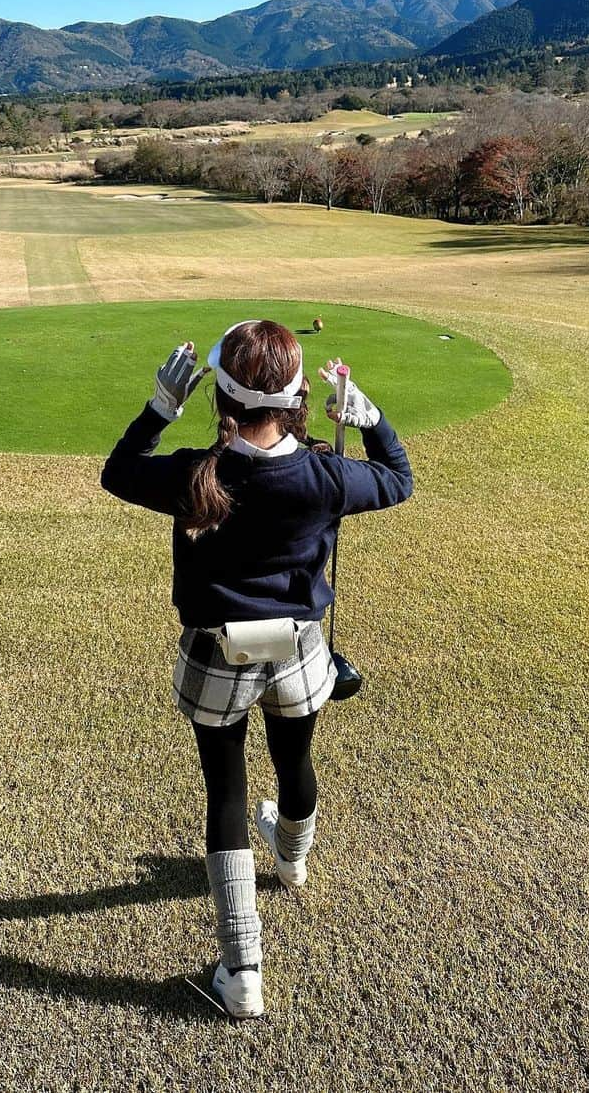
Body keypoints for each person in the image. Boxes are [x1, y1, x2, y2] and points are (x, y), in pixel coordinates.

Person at [100, 318, 413, 1019]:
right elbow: (398, 479)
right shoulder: (327, 474)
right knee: (295, 759)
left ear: (224, 401)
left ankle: (242, 971)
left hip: (217, 655)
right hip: (301, 651)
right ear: (299, 397)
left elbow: (116, 472)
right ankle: (293, 861)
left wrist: (158, 407)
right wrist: (368, 417)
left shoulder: (192, 472)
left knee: (228, 797)